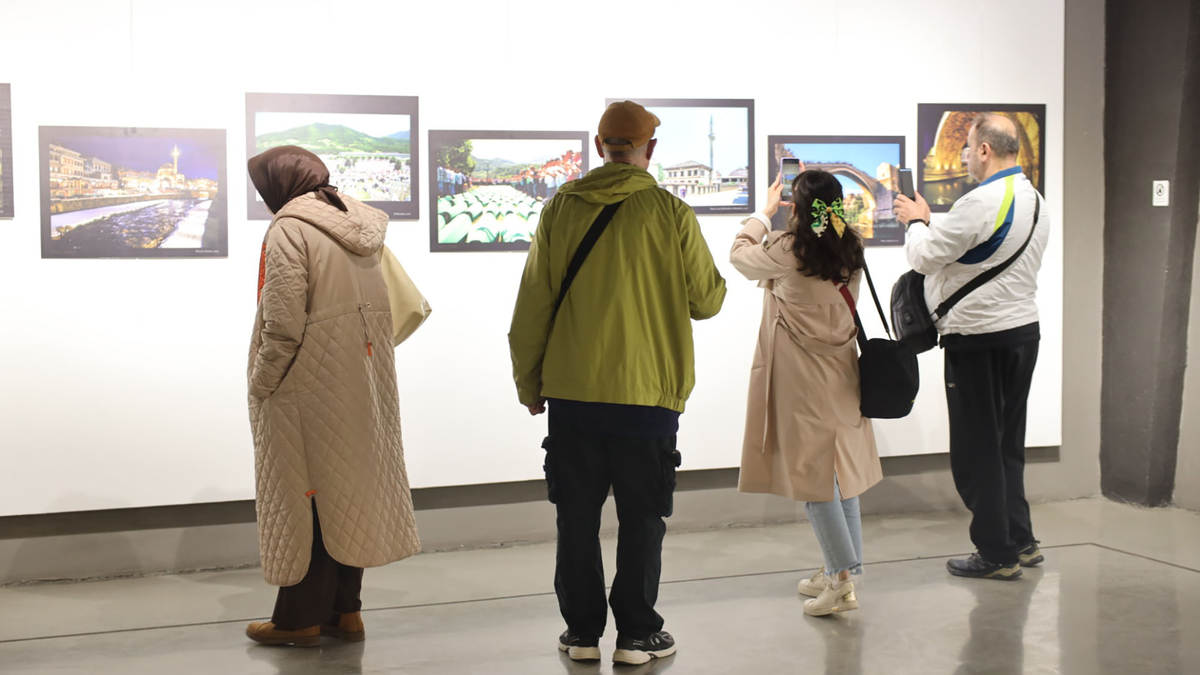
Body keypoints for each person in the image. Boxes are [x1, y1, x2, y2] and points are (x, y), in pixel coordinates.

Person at [508, 100, 726, 666]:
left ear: (600, 146)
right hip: (647, 395)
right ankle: (637, 634)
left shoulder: (561, 209)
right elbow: (707, 300)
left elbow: (532, 305)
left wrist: (529, 382)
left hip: (573, 394)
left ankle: (581, 633)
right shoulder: (671, 213)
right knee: (643, 518)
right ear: (650, 149)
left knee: (576, 518)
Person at [243, 146, 421, 646]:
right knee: (346, 489)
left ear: (279, 184)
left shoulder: (289, 228)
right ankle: (346, 612)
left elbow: (283, 323)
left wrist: (261, 382)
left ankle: (298, 620)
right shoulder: (360, 224)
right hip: (361, 377)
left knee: (307, 497)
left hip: (305, 381)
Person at [894, 114, 1050, 580]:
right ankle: (1021, 540)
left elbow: (925, 257)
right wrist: (932, 223)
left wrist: (915, 223)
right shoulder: (1034, 199)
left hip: (978, 340)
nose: (963, 155)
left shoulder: (980, 201)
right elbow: (980, 250)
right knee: (1007, 445)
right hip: (1022, 333)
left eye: (968, 146)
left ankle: (996, 554)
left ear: (985, 150)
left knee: (976, 449)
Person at [730, 169, 883, 617]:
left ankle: (840, 583)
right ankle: (843, 568)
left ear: (796, 207)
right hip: (843, 374)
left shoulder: (787, 250)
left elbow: (739, 255)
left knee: (814, 480)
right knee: (843, 475)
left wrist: (763, 213)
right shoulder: (851, 248)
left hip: (801, 381)